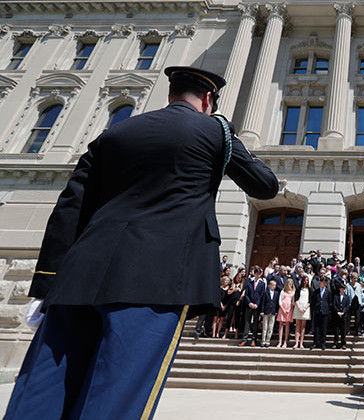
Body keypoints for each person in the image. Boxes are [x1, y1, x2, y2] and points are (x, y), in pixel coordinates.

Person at [5, 66, 278, 419]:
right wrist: (226, 133)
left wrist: (47, 282)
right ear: (208, 100)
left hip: (78, 277)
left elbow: (70, 208)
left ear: (169, 95)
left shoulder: (117, 131)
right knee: (116, 394)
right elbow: (264, 185)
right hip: (158, 279)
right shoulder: (215, 130)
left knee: (44, 387)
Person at [239, 266, 265, 347]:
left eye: (258, 273)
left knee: (255, 323)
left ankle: (254, 339)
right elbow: (246, 294)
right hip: (249, 305)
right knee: (247, 322)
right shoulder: (249, 282)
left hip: (256, 306)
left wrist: (257, 304)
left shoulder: (262, 284)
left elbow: (262, 296)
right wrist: (249, 303)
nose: (257, 275)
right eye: (256, 273)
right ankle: (244, 339)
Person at [311, 277, 333, 350]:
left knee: (324, 328)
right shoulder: (316, 291)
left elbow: (329, 302)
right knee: (316, 328)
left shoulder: (328, 292)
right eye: (321, 282)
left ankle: (323, 343)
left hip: (324, 312)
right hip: (317, 312)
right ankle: (315, 342)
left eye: (324, 282)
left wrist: (328, 310)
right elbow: (313, 301)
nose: (322, 283)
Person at [260, 279, 280, 347]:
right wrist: (262, 311)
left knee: (270, 327)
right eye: (272, 285)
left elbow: (277, 303)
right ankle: (263, 340)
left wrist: (276, 311)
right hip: (266, 310)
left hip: (273, 311)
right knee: (265, 327)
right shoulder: (265, 292)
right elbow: (263, 302)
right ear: (269, 285)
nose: (274, 286)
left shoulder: (277, 293)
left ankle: (268, 341)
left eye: (275, 285)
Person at [292, 276, 311, 349]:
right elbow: (296, 299)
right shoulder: (298, 289)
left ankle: (301, 343)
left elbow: (310, 300)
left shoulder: (310, 289)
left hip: (306, 308)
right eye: (305, 280)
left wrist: (305, 308)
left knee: (303, 327)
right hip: (298, 307)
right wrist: (299, 308)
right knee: (297, 325)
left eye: (307, 280)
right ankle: (296, 343)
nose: (306, 281)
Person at [276, 278, 295, 348]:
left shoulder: (293, 292)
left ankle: (285, 342)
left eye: (291, 283)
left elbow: (293, 302)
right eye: (289, 283)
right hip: (282, 309)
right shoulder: (282, 291)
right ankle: (280, 341)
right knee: (281, 325)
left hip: (289, 309)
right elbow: (280, 301)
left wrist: (289, 309)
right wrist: (283, 309)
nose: (290, 285)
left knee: (287, 325)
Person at [332, 284, 351, 349]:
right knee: (336, 329)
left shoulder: (347, 297)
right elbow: (334, 305)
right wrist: (337, 311)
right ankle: (335, 343)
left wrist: (343, 312)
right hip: (337, 315)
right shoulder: (336, 296)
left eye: (344, 289)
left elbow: (347, 306)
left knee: (343, 330)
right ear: (340, 289)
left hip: (344, 315)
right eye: (342, 288)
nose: (343, 290)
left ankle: (343, 343)